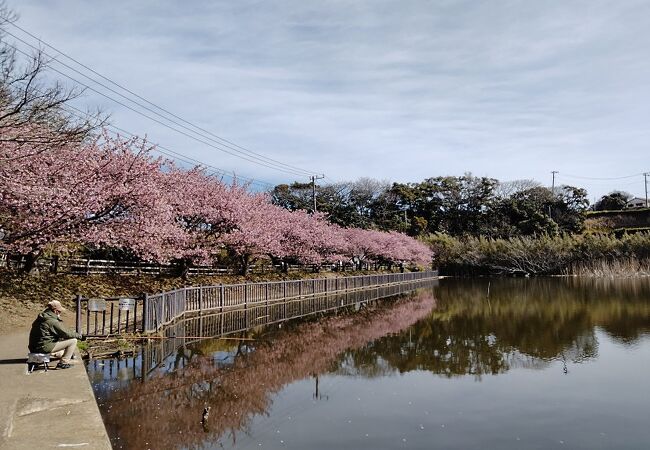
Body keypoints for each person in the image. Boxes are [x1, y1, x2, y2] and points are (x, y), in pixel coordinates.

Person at [28, 300, 85, 369]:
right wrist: (80, 336)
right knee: (73, 341)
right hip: (43, 347)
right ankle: (63, 363)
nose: (60, 313)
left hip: (34, 347)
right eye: (59, 311)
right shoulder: (52, 321)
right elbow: (66, 333)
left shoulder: (42, 317)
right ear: (55, 311)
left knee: (61, 351)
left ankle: (61, 354)